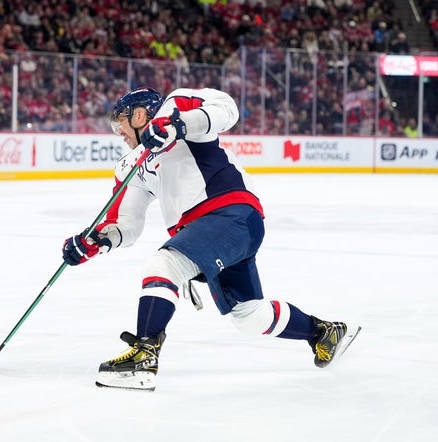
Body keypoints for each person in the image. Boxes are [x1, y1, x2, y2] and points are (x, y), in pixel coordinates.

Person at [62, 87, 358, 391]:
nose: (119, 133)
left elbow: (227, 109)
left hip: (230, 213)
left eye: (120, 123)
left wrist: (178, 125)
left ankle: (144, 356)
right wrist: (96, 241)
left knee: (165, 265)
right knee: (249, 316)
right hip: (211, 231)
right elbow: (127, 223)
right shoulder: (129, 166)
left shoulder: (175, 108)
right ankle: (323, 333)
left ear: (139, 114)